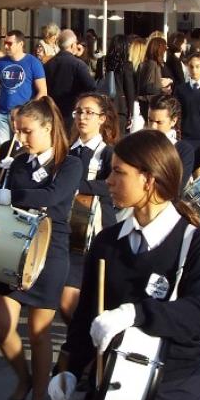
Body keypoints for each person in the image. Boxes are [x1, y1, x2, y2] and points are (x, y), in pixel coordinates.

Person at [49, 129, 200, 400]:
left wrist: (135, 313)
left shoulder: (198, 244)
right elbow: (87, 315)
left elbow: (198, 314)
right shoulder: (107, 242)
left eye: (119, 172)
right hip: (109, 389)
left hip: (171, 393)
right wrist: (67, 370)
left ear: (149, 179)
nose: (109, 180)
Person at [0, 97, 81, 400]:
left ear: (48, 127)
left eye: (27, 131)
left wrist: (6, 195)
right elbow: (3, 208)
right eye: (18, 131)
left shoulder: (70, 164)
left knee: (39, 333)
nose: (20, 138)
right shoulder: (18, 162)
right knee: (1, 326)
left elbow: (51, 197)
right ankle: (24, 377)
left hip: (49, 251)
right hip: (11, 248)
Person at [61, 93, 119, 323]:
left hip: (98, 229)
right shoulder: (66, 151)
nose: (82, 117)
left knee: (98, 300)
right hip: (69, 230)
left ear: (102, 118)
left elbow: (111, 184)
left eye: (89, 113)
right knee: (67, 303)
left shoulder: (109, 153)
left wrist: (75, 186)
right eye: (78, 112)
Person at [0, 30, 47, 145]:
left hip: (23, 115)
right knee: (2, 149)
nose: (6, 46)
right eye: (5, 43)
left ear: (20, 44)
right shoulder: (0, 63)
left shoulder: (33, 62)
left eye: (9, 43)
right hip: (3, 114)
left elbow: (42, 92)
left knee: (21, 148)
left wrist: (28, 111)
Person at [44, 29, 96, 131]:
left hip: (52, 112)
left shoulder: (48, 64)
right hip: (72, 112)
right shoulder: (78, 64)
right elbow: (91, 87)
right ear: (72, 45)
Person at [146, 94, 195, 188]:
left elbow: (177, 187)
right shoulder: (139, 143)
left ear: (173, 121)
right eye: (150, 120)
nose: (153, 127)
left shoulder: (183, 150)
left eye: (159, 122)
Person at [104, 34, 137, 135]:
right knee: (119, 136)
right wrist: (131, 112)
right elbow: (129, 90)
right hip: (120, 107)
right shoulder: (126, 65)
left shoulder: (102, 62)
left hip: (105, 103)